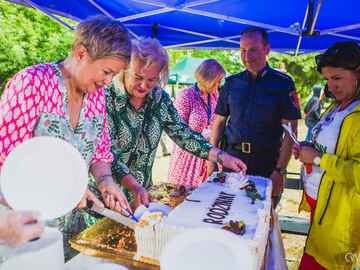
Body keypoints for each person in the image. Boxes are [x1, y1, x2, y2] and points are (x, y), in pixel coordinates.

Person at [0, 15, 132, 260]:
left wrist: (105, 181)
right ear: (81, 54)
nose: (108, 81)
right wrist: (61, 186)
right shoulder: (31, 84)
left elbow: (100, 152)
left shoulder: (97, 96)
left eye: (114, 75)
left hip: (72, 230)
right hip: (24, 232)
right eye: (106, 71)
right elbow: (6, 168)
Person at [106, 38, 247, 207]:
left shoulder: (159, 99)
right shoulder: (108, 98)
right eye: (138, 77)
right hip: (108, 196)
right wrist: (134, 187)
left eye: (151, 80)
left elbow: (184, 135)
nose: (144, 85)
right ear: (124, 70)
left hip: (142, 195)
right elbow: (109, 156)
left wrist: (221, 157)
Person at [293, 41, 360, 269]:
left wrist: (317, 159)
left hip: (341, 215)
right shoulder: (339, 105)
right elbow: (333, 146)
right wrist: (308, 148)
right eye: (327, 79)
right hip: (320, 205)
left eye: (337, 78)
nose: (330, 86)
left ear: (359, 73)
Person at [207, 27, 301, 208]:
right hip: (231, 161)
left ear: (267, 49)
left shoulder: (283, 84)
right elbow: (219, 124)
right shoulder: (232, 84)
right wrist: (212, 159)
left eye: (253, 50)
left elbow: (291, 132)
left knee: (261, 219)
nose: (247, 55)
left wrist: (280, 171)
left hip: (265, 164)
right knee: (225, 213)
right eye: (243, 50)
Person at [167, 59, 226, 187]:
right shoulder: (186, 96)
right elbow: (178, 132)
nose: (219, 85)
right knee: (185, 197)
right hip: (189, 159)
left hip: (210, 154)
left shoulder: (215, 95)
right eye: (218, 82)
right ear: (208, 79)